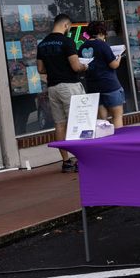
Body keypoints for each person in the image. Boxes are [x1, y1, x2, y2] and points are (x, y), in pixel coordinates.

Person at [37, 13, 88, 172]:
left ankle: (66, 161)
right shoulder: (67, 41)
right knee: (78, 122)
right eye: (69, 28)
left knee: (59, 124)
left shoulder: (43, 44)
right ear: (66, 25)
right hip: (69, 86)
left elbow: (40, 69)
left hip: (53, 87)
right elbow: (75, 66)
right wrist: (84, 66)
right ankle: (81, 160)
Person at [79, 21, 125, 128]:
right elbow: (113, 65)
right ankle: (119, 142)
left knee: (101, 120)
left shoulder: (82, 47)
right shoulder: (102, 45)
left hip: (93, 87)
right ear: (100, 32)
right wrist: (118, 59)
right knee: (116, 116)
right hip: (109, 84)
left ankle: (104, 141)